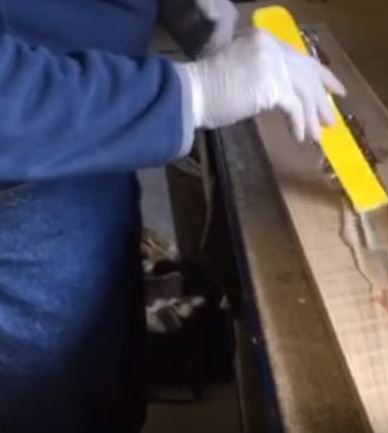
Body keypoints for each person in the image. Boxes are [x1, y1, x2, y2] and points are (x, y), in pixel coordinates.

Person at [0, 0, 345, 431]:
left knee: (105, 369)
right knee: (56, 404)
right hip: (21, 177)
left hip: (92, 125)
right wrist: (194, 92)